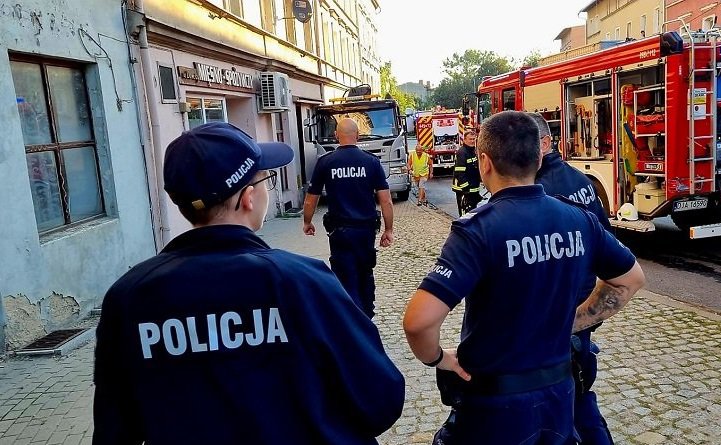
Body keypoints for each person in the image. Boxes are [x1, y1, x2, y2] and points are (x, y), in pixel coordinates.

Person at [93, 122, 405, 445]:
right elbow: (381, 398)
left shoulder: (128, 298)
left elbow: (113, 431)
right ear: (248, 198)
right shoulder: (303, 283)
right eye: (264, 180)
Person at [403, 111, 645, 445]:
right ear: (538, 155)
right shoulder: (578, 219)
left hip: (494, 404)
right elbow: (630, 279)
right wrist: (571, 322)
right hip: (559, 393)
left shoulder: (478, 229)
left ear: (484, 162)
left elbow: (418, 322)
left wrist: (439, 359)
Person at [528, 112, 614, 444]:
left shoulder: (539, 190)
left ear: (546, 143)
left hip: (555, 312)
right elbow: (610, 250)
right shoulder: (580, 181)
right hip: (583, 306)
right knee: (579, 386)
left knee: (565, 398)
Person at [303, 118, 394, 319]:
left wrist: (307, 222)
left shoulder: (326, 162)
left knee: (344, 277)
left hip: (340, 233)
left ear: (336, 136)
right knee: (365, 273)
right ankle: (366, 315)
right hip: (366, 232)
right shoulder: (371, 162)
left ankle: (352, 319)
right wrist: (388, 230)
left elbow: (311, 200)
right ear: (358, 136)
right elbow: (386, 201)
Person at [451, 129, 482, 216]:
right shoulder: (462, 152)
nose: (472, 141)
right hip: (463, 189)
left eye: (474, 139)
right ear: (464, 140)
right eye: (470, 139)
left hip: (473, 188)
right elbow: (460, 172)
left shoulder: (473, 151)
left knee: (473, 213)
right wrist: (466, 189)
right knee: (465, 214)